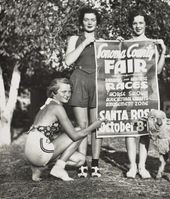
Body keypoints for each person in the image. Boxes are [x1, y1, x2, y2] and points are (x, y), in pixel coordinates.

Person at [24, 78, 103, 181]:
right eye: (64, 91)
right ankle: (58, 168)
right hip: (40, 150)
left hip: (30, 151)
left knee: (80, 159)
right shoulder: (58, 108)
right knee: (79, 131)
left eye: (69, 91)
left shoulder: (46, 105)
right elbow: (75, 136)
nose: (68, 94)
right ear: (54, 93)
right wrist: (94, 125)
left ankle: (38, 168)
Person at [119, 10, 167, 179]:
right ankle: (132, 166)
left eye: (141, 22)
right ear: (131, 25)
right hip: (130, 92)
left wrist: (163, 50)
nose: (138, 26)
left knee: (145, 130)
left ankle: (142, 166)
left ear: (145, 24)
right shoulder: (125, 44)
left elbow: (158, 70)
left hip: (147, 92)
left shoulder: (151, 44)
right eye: (134, 23)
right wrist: (117, 46)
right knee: (130, 130)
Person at [64, 7, 103, 178]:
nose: (89, 22)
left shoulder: (102, 41)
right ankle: (81, 163)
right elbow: (68, 61)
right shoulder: (74, 39)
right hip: (79, 79)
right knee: (82, 126)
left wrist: (119, 44)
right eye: (86, 19)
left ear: (97, 22)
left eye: (92, 20)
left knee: (96, 126)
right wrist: (85, 43)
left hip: (97, 81)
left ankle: (94, 164)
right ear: (82, 22)